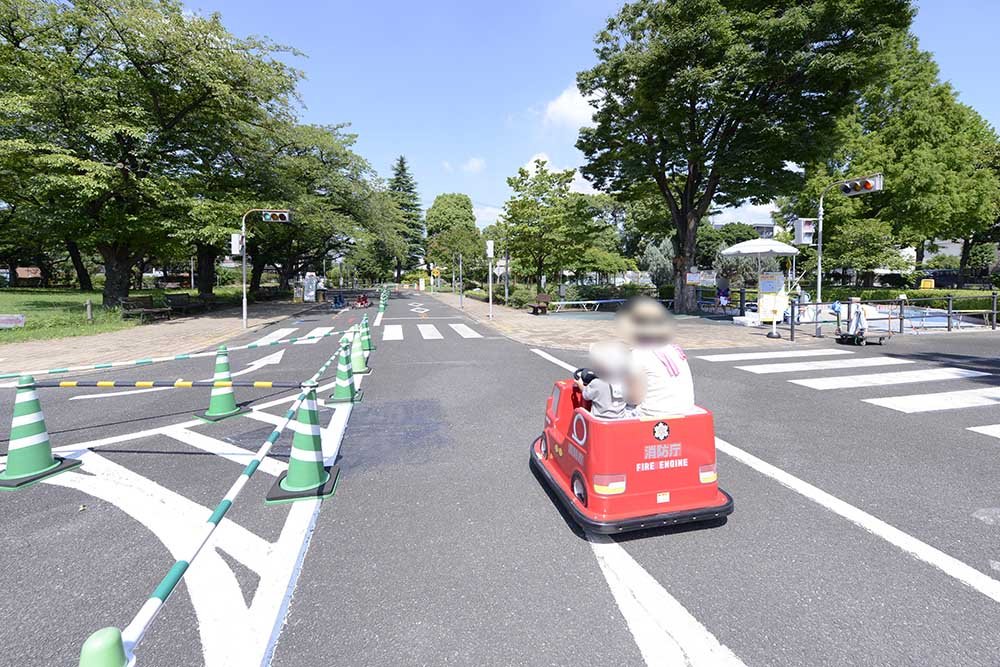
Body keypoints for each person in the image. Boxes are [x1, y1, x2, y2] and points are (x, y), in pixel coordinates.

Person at [618, 296, 695, 417]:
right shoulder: (674, 349)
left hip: (654, 415)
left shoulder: (638, 354)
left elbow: (635, 398)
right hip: (686, 410)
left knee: (614, 409)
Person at [575, 342, 629, 419]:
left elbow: (586, 395)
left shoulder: (597, 383)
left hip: (598, 420)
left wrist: (580, 385)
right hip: (619, 420)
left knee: (580, 411)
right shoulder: (625, 382)